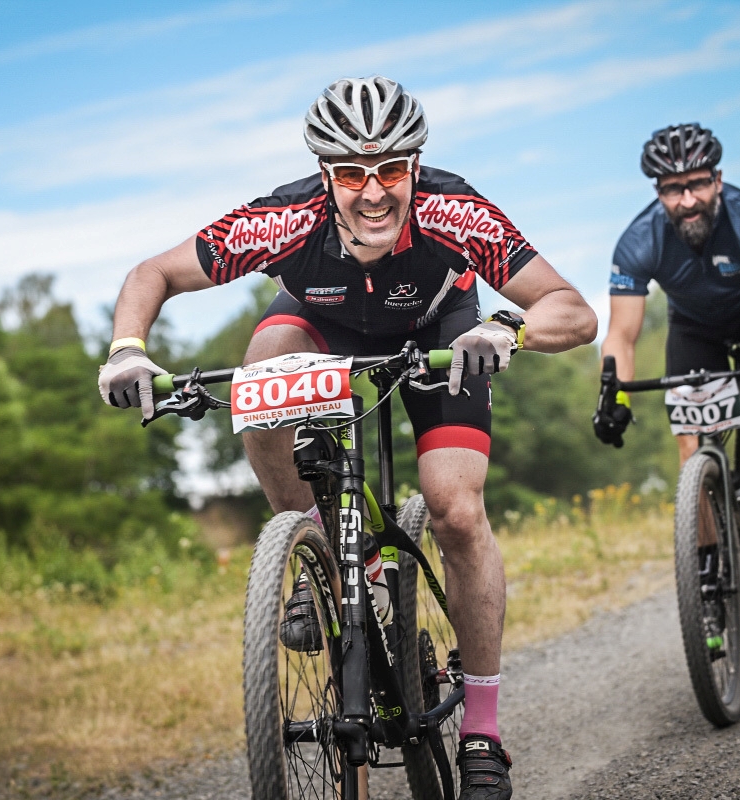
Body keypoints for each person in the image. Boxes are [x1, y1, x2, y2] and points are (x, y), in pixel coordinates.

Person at [99, 75, 597, 799]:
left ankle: (484, 731)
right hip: (323, 323)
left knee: (454, 508)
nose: (374, 193)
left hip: (440, 328)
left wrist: (510, 328)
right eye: (353, 174)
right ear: (325, 175)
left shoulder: (456, 211)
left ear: (416, 168)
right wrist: (127, 348)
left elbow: (573, 311)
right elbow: (155, 273)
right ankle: (315, 546)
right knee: (257, 372)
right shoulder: (281, 219)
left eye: (392, 170)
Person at [595, 122, 740, 546]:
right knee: (691, 450)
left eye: (697, 183)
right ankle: (710, 568)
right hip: (694, 329)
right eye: (673, 189)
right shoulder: (639, 242)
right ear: (658, 192)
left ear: (718, 179)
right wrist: (614, 397)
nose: (688, 199)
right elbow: (621, 336)